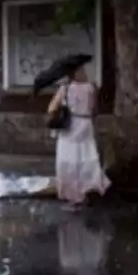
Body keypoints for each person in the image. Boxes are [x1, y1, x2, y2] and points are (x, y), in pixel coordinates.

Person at [47, 65, 109, 206]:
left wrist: (64, 105)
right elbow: (94, 110)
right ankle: (89, 186)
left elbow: (51, 108)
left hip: (71, 125)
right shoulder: (91, 88)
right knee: (86, 155)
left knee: (69, 157)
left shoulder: (66, 88)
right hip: (86, 124)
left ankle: (71, 193)